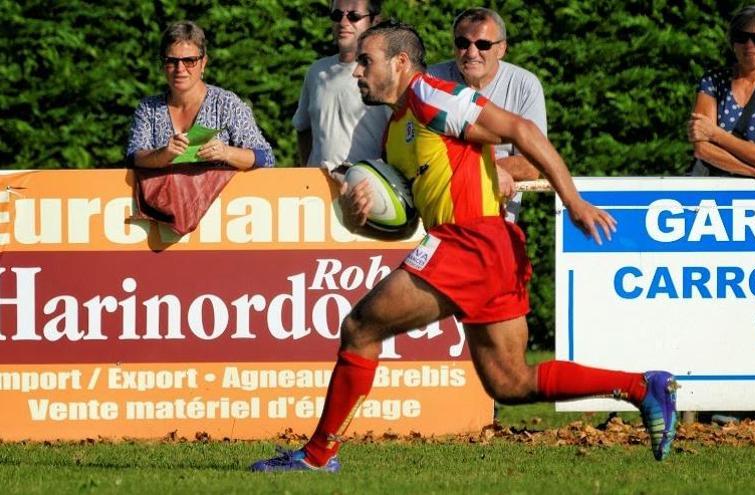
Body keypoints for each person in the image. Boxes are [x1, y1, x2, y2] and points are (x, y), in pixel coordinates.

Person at [250, 21, 678, 473]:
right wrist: (363, 216)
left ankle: (318, 456)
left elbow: (522, 128)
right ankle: (642, 386)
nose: (356, 71)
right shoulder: (396, 130)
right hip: (485, 247)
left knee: (360, 327)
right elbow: (406, 223)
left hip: (470, 241)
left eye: (365, 61)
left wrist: (572, 201)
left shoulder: (429, 94)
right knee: (510, 383)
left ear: (399, 63)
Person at [427, 8, 543, 218]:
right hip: (438, 217)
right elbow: (414, 150)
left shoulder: (524, 85)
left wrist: (479, 172)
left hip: (496, 219)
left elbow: (532, 164)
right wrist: (485, 171)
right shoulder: (430, 81)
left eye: (483, 45)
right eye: (463, 43)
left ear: (502, 49)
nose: (471, 53)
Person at [126, 21, 275, 170]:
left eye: (189, 61)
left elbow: (266, 157)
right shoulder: (148, 108)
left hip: (220, 193)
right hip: (165, 193)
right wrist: (162, 154)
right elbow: (133, 157)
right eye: (171, 61)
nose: (180, 69)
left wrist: (226, 153)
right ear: (163, 65)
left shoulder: (226, 104)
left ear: (203, 63)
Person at [688, 5, 755, 201]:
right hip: (709, 195)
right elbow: (702, 149)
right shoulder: (713, 82)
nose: (750, 45)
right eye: (742, 37)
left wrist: (715, 134)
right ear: (733, 43)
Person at [292, 0, 391, 166]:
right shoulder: (317, 72)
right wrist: (306, 173)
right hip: (318, 188)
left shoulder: (386, 73)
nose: (343, 23)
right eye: (337, 15)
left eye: (354, 16)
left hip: (365, 186)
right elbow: (302, 128)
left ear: (375, 21)